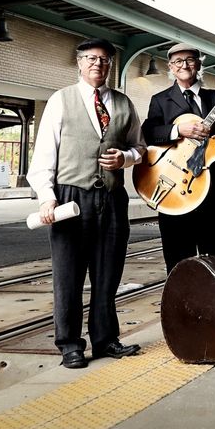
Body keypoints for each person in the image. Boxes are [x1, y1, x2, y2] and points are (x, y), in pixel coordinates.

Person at [27, 38, 145, 368]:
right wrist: (47, 198)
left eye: (105, 60)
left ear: (111, 66)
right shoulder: (60, 100)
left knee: (108, 274)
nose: (98, 64)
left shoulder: (123, 103)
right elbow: (44, 156)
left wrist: (125, 158)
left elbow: (141, 147)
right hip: (70, 197)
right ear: (79, 63)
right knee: (69, 276)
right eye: (91, 59)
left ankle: (106, 340)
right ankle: (69, 345)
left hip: (111, 198)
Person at [141, 43, 215, 273]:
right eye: (178, 61)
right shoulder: (160, 100)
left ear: (198, 64)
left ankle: (212, 308)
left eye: (189, 60)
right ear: (170, 67)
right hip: (176, 192)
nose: (184, 65)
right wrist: (178, 131)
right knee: (178, 264)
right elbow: (148, 133)